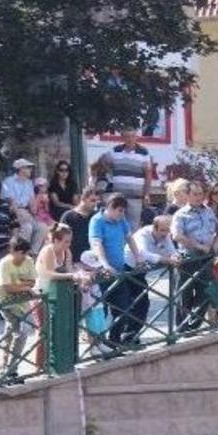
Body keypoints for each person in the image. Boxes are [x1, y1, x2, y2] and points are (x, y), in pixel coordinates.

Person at [89, 193, 143, 347]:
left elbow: (129, 238)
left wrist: (138, 256)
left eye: (123, 211)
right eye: (120, 211)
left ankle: (114, 341)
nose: (122, 214)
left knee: (123, 308)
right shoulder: (97, 221)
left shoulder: (121, 220)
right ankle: (97, 345)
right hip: (102, 273)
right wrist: (105, 264)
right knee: (101, 311)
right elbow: (97, 244)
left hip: (119, 271)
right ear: (110, 207)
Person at [170, 183, 218, 332]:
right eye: (195, 194)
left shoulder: (208, 211)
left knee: (205, 292)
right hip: (189, 257)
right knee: (184, 293)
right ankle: (182, 327)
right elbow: (177, 235)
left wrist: (216, 242)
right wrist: (198, 245)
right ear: (187, 195)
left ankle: (194, 325)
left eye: (201, 194)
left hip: (206, 257)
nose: (199, 197)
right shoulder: (181, 214)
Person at [0, 237, 39, 382]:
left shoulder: (28, 261)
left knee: (11, 335)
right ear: (13, 252)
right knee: (20, 333)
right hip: (7, 303)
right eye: (21, 253)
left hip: (23, 304)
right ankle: (10, 370)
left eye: (25, 254)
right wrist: (25, 286)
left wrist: (19, 285)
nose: (24, 257)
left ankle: (6, 369)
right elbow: (7, 287)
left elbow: (33, 282)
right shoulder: (4, 264)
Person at [101, 128, 154, 229]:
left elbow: (148, 174)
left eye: (133, 136)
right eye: (127, 136)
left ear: (136, 137)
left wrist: (146, 194)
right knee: (116, 224)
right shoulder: (115, 150)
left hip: (136, 197)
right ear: (123, 138)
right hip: (118, 197)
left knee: (133, 227)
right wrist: (110, 171)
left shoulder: (143, 152)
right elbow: (103, 161)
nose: (130, 139)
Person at [2, 158, 39, 246]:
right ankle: (20, 251)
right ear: (21, 169)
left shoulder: (29, 183)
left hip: (25, 211)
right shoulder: (8, 181)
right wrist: (19, 212)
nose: (31, 170)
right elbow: (10, 200)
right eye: (28, 167)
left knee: (42, 228)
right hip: (11, 211)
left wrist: (34, 211)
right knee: (27, 228)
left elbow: (32, 203)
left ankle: (33, 252)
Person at [61, 186, 99, 264]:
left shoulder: (96, 217)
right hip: (73, 260)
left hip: (93, 260)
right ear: (83, 199)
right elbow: (61, 240)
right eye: (92, 201)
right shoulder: (68, 216)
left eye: (96, 201)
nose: (95, 204)